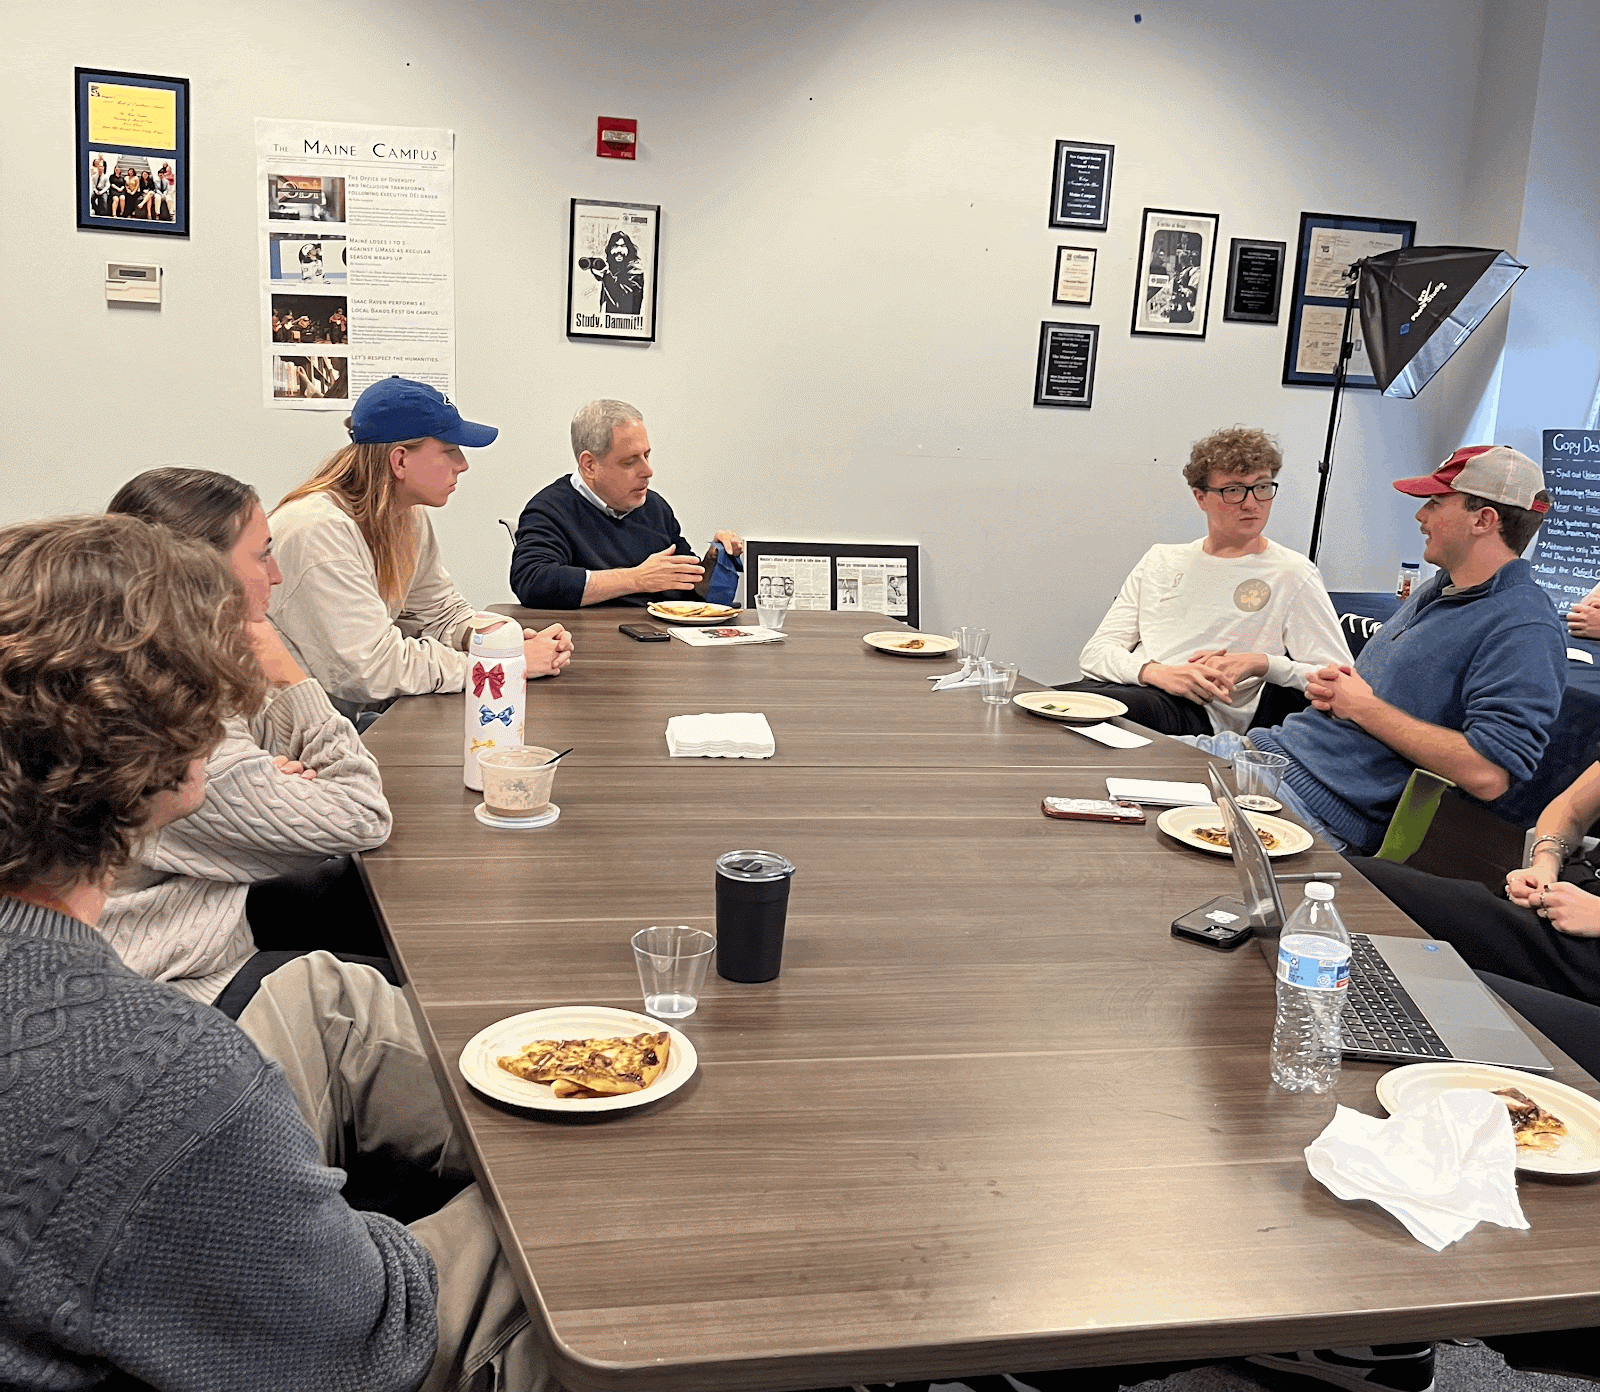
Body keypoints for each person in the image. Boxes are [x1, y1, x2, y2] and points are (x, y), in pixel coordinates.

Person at [0, 513, 544, 1390]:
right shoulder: (168, 1079)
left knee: (319, 991)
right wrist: (526, 1195)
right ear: (174, 747)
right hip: (350, 1331)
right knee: (572, 1213)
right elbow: (367, 1341)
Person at [102, 467, 394, 1011]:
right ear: (202, 574)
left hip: (213, 911)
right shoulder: (167, 714)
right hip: (177, 981)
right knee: (416, 997)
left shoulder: (149, 661)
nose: (278, 575)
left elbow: (271, 761)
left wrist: (270, 779)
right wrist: (293, 678)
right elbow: (360, 814)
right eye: (262, 555)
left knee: (389, 900)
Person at [1179, 445, 1566, 854]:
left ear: (1483, 520)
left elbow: (1487, 774)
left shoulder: (1524, 627)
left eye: (1435, 503)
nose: (1422, 517)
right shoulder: (1440, 589)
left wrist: (1362, 706)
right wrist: (1338, 692)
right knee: (1107, 769)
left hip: (1311, 808)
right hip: (1264, 757)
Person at [269, 375, 572, 710]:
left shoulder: (404, 515)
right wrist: (500, 667)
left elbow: (438, 614)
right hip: (278, 743)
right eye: (449, 450)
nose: (463, 464)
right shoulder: (317, 531)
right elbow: (372, 669)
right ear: (400, 460)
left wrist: (502, 640)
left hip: (333, 721)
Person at [1061, 426, 1350, 735]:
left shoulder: (1291, 573)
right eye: (1234, 490)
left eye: (1262, 487)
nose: (1252, 503)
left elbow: (1340, 680)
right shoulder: (1161, 560)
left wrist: (1263, 662)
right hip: (1139, 685)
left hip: (1204, 710)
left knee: (1076, 714)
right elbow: (1095, 654)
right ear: (1201, 497)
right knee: (1034, 704)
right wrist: (1153, 671)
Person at [1349, 761, 1599, 1005]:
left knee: (1365, 885)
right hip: (1559, 891)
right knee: (1361, 879)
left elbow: (1487, 778)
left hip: (1582, 950)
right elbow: (1572, 810)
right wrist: (1545, 863)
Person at [509, 398, 743, 608]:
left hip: (658, 645)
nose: (648, 471)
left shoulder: (655, 507)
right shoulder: (550, 509)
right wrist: (636, 579)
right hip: (594, 648)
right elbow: (532, 580)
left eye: (647, 456)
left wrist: (713, 560)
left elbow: (689, 591)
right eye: (630, 462)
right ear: (590, 465)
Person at [586, 228, 645, 314]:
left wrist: (605, 276)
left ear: (630, 249)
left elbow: (624, 302)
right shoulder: (614, 270)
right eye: (615, 246)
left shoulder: (635, 270)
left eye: (623, 246)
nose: (619, 250)